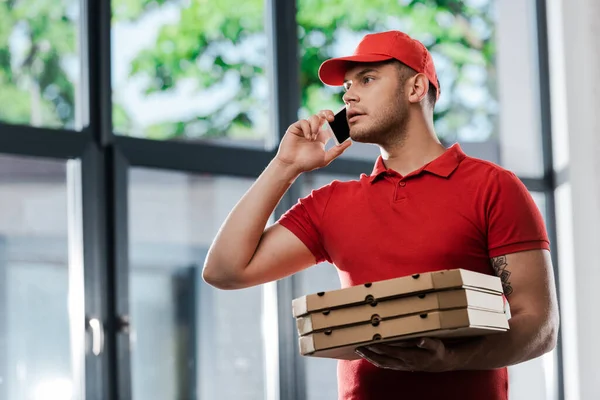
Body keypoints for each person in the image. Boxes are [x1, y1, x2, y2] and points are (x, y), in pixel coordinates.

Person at [203, 30, 559, 400]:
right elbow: (225, 271)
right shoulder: (331, 203)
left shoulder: (493, 186)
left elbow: (539, 326)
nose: (348, 95)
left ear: (416, 88)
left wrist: (451, 358)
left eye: (367, 80)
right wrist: (285, 165)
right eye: (346, 85)